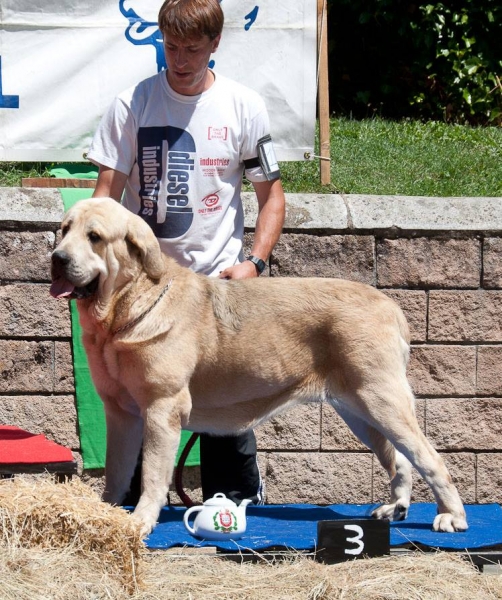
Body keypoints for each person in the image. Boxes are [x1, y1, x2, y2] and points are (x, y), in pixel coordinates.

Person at [87, 0, 286, 506]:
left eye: (192, 49)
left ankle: (238, 514)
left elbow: (271, 200)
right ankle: (125, 513)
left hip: (215, 290)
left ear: (215, 44)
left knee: (226, 415)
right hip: (145, 294)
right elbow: (104, 198)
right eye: (171, 47)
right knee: (135, 411)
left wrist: (255, 263)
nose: (179, 59)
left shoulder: (244, 106)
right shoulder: (132, 104)